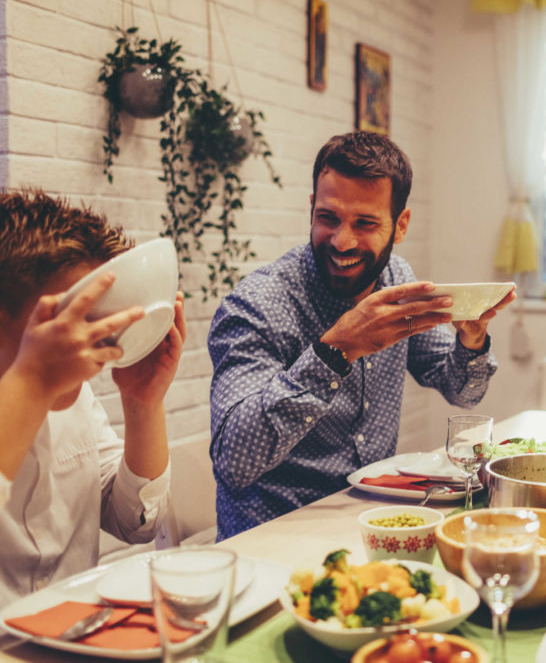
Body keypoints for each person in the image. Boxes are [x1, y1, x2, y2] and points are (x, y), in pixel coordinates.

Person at [208, 131, 514, 539]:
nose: (342, 240)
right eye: (327, 217)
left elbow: (463, 392)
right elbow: (234, 462)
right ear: (311, 209)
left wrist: (470, 340)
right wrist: (336, 351)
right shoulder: (258, 305)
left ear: (400, 225)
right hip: (274, 537)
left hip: (373, 522)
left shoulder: (396, 280)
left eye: (365, 223)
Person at [0, 189, 186, 642]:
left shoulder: (75, 393)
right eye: (68, 323)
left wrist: (142, 404)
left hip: (83, 640)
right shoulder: (44, 378)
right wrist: (32, 381)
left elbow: (134, 522)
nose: (88, 345)